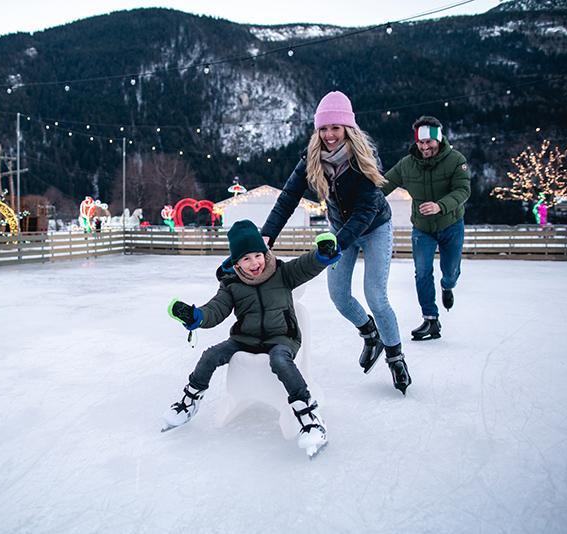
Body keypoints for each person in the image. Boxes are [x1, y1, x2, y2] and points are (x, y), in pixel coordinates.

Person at [261, 91, 411, 395]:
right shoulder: (312, 156)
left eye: (336, 128)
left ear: (348, 129)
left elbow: (367, 209)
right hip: (340, 230)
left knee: (376, 296)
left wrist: (337, 244)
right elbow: (289, 197)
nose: (329, 135)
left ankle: (396, 358)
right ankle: (371, 335)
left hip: (374, 228)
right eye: (324, 128)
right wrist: (267, 234)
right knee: (339, 295)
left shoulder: (365, 155)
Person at [163, 220, 340, 458]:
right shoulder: (231, 286)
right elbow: (215, 309)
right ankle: (189, 402)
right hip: (245, 339)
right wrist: (196, 316)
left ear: (265, 253)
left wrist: (322, 255)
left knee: (280, 360)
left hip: (281, 337)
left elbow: (305, 265)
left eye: (258, 255)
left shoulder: (282, 272)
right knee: (210, 355)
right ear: (237, 264)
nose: (255, 263)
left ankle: (310, 416)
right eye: (246, 259)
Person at [382, 116, 471, 341]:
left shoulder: (456, 160)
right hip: (422, 228)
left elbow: (463, 191)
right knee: (422, 272)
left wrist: (440, 206)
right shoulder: (407, 164)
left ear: (438, 140)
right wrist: (360, 198)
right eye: (420, 142)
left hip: (451, 224)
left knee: (450, 271)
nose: (424, 147)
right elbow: (383, 185)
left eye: (429, 142)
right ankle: (430, 319)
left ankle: (448, 285)